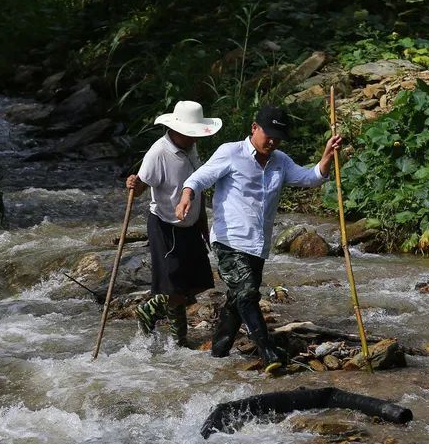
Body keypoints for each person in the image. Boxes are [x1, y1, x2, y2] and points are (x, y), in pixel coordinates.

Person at [175, 104, 342, 371]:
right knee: (247, 294)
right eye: (269, 135)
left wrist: (327, 156)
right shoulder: (231, 152)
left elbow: (310, 178)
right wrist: (186, 196)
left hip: (257, 244)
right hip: (229, 240)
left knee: (237, 299)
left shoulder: (280, 161)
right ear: (254, 128)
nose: (272, 142)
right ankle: (268, 352)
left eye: (278, 138)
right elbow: (199, 178)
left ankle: (218, 352)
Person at [126, 100, 220, 346]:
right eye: (190, 133)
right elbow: (141, 186)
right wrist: (134, 184)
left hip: (191, 223)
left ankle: (168, 328)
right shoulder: (159, 152)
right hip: (165, 225)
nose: (194, 138)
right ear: (176, 130)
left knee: (199, 283)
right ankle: (165, 327)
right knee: (174, 289)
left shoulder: (190, 148)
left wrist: (203, 223)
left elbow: (197, 187)